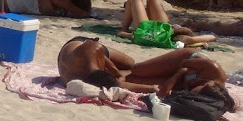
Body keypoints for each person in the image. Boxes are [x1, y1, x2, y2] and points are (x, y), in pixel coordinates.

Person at [57, 36, 228, 97]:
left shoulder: (92, 49)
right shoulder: (85, 77)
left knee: (134, 67)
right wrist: (151, 88)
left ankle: (121, 72)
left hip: (80, 45)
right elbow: (116, 84)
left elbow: (185, 64)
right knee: (133, 76)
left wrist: (116, 73)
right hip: (77, 60)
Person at [116, 0, 216, 46]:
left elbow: (133, 36)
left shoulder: (177, 41)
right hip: (164, 26)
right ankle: (144, 10)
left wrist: (123, 32)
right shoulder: (182, 38)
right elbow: (212, 37)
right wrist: (197, 40)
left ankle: (124, 26)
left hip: (146, 27)